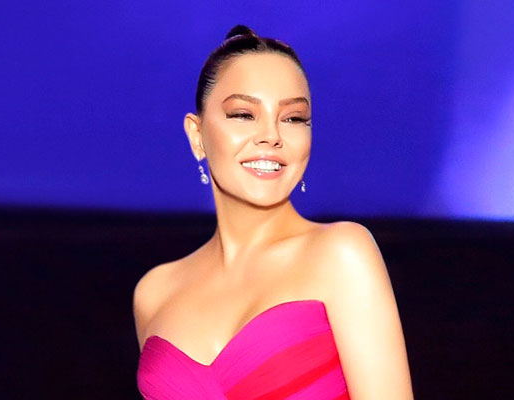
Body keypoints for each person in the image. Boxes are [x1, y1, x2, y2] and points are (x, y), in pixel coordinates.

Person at [133, 24, 413, 399]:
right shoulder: (154, 293)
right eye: (243, 114)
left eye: (293, 118)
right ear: (197, 136)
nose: (272, 135)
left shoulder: (341, 254)